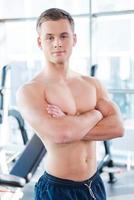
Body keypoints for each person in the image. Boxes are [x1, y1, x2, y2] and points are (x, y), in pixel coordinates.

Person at [16, 8, 124, 200]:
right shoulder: (31, 90)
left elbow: (117, 128)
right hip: (58, 188)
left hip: (94, 184)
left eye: (63, 36)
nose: (57, 43)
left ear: (74, 39)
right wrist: (95, 115)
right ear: (40, 42)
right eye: (49, 37)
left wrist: (70, 122)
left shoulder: (92, 84)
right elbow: (61, 133)